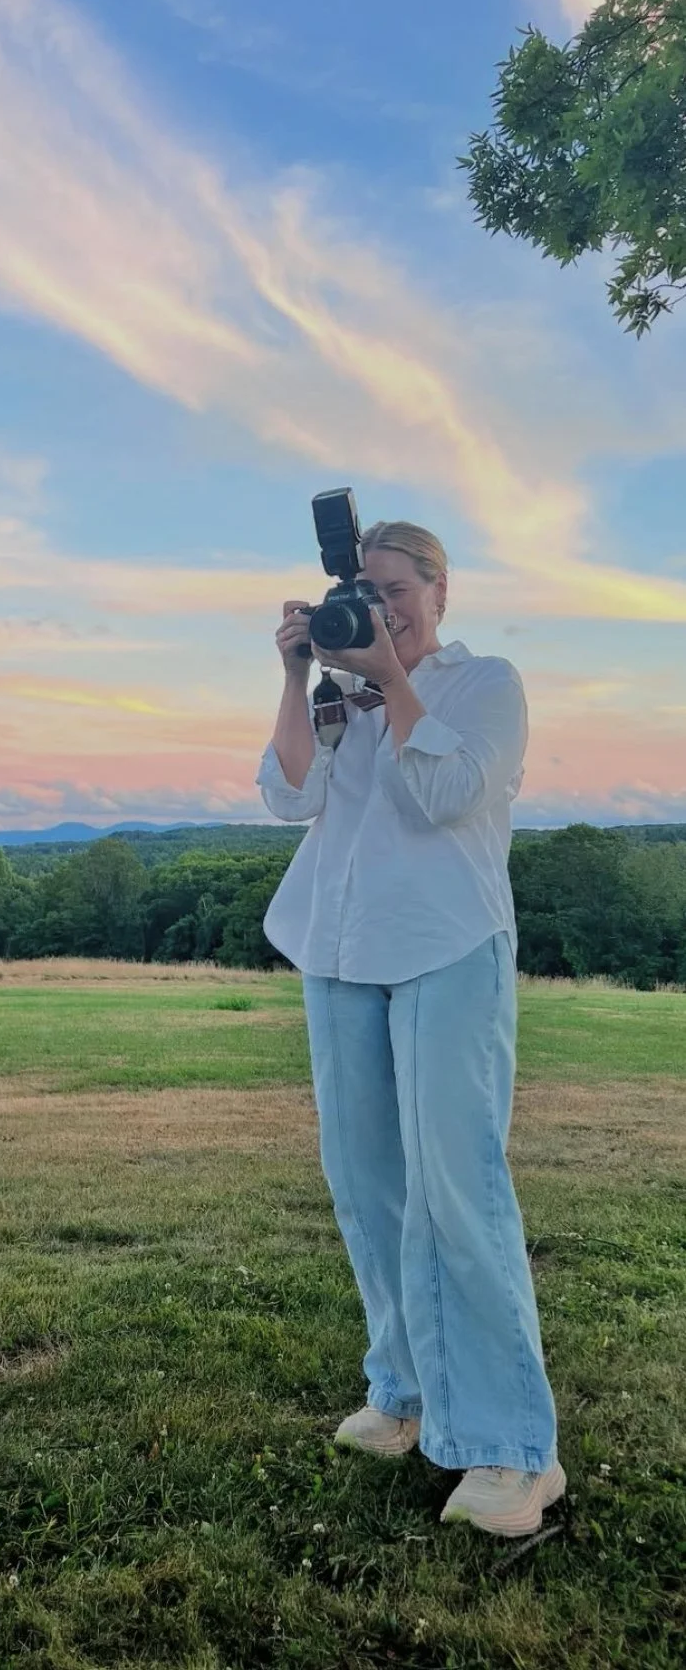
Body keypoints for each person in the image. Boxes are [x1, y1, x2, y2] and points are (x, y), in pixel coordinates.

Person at [256, 518, 564, 1539]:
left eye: (395, 589)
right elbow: (287, 794)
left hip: (446, 948)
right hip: (340, 950)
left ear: (439, 590)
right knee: (367, 1183)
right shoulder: (344, 685)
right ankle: (404, 1393)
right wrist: (304, 678)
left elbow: (442, 794)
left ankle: (515, 1451)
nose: (378, 606)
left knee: (456, 1190)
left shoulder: (486, 685)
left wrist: (392, 676)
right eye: (362, 590)